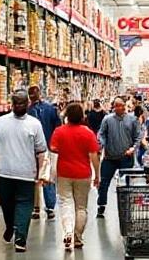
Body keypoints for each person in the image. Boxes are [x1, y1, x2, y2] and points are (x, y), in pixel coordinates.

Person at [0, 90, 48, 253]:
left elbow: (41, 151)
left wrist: (42, 173)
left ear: (28, 103)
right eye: (16, 103)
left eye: (22, 103)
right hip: (5, 171)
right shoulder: (1, 122)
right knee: (7, 203)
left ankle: (20, 237)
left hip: (26, 173)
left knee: (25, 204)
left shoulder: (35, 124)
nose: (19, 106)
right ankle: (10, 226)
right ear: (11, 104)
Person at [50, 102, 100, 251]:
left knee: (65, 203)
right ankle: (78, 237)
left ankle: (67, 232)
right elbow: (93, 156)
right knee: (81, 207)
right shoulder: (88, 133)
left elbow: (53, 150)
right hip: (83, 174)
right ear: (82, 116)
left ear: (66, 116)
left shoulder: (59, 132)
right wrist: (97, 175)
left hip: (64, 173)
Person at [96, 97, 141, 219]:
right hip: (110, 157)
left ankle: (126, 205)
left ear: (124, 106)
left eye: (121, 105)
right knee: (104, 182)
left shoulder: (132, 120)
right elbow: (101, 133)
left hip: (126, 157)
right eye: (116, 106)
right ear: (114, 107)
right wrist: (102, 143)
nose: (119, 108)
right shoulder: (107, 119)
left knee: (126, 183)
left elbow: (138, 136)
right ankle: (101, 205)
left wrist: (133, 148)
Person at [27, 85, 62, 219]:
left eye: (33, 94)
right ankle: (46, 207)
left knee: (40, 178)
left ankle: (43, 207)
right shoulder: (48, 109)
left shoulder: (33, 110)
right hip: (42, 149)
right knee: (43, 178)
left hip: (42, 149)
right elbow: (58, 126)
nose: (32, 97)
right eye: (31, 95)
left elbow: (57, 127)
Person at [133, 102, 149, 166]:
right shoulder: (138, 124)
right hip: (135, 151)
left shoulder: (140, 123)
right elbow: (142, 140)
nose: (147, 115)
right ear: (141, 114)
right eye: (145, 113)